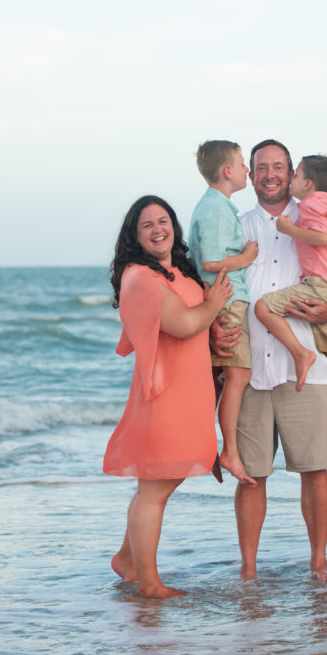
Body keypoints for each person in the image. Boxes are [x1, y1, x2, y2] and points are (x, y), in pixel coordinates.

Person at [211, 140, 327, 582]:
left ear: (292, 173)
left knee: (314, 470)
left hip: (310, 371)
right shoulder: (236, 225)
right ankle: (248, 569)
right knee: (251, 477)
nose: (270, 174)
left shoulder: (315, 214)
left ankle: (318, 561)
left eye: (278, 167)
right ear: (251, 174)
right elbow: (211, 286)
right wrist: (211, 328)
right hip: (248, 370)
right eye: (260, 167)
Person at [104, 195, 233, 599]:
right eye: (148, 225)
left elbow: (196, 322)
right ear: (135, 235)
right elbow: (184, 323)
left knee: (160, 482)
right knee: (155, 488)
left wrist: (214, 328)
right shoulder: (141, 278)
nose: (159, 229)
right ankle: (150, 583)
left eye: (164, 220)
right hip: (163, 396)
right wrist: (212, 307)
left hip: (188, 392)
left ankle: (128, 560)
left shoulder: (175, 271)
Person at [254, 154, 327, 445]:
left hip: (319, 286)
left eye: (290, 171)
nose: (286, 177)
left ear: (307, 182)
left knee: (263, 307)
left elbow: (321, 239)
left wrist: (289, 230)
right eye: (262, 167)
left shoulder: (311, 206)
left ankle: (300, 354)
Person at [188, 141, 258, 484]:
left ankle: (205, 445)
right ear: (227, 171)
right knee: (238, 375)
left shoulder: (215, 206)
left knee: (218, 380)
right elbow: (212, 262)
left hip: (223, 299)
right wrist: (245, 259)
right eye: (243, 164)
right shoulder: (216, 208)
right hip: (228, 298)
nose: (247, 170)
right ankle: (228, 450)